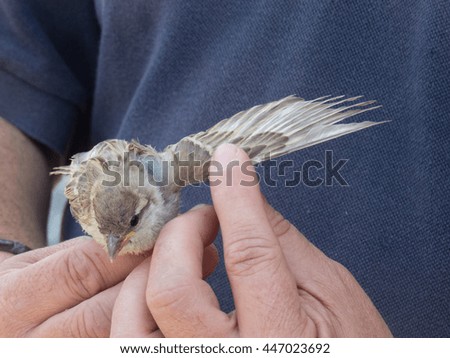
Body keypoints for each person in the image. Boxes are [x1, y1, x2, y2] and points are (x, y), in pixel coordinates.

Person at [0, 1, 448, 337]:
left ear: (149, 199)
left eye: (131, 226)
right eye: (111, 234)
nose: (118, 243)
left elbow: (257, 137)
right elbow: (16, 63)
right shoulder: (102, 206)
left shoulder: (167, 173)